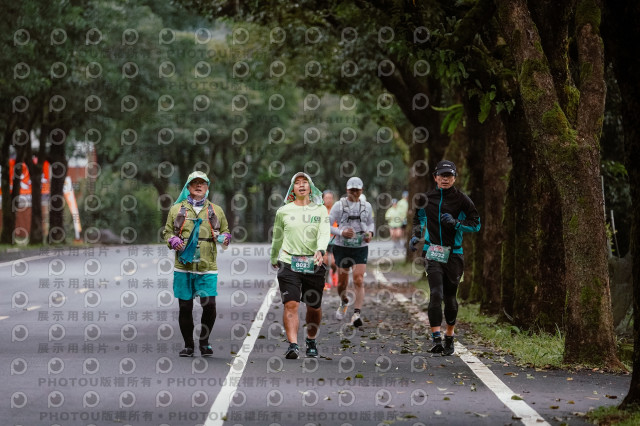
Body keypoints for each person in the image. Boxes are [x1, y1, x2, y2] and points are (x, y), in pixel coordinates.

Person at [410, 160, 480, 356]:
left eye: (449, 176)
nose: (445, 179)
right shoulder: (426, 199)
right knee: (436, 294)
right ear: (435, 177)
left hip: (454, 254)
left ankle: (449, 335)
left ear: (454, 178)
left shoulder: (462, 200)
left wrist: (456, 223)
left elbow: (476, 224)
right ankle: (436, 339)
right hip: (432, 252)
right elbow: (418, 219)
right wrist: (416, 235)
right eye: (442, 175)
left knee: (450, 298)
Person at [163, 171, 231, 357]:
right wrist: (173, 240)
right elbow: (167, 232)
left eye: (202, 183)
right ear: (188, 187)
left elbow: (226, 232)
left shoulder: (216, 210)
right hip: (183, 266)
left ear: (207, 187)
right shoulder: (176, 210)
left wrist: (224, 238)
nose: (198, 186)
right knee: (185, 306)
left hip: (207, 266)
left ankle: (204, 342)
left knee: (209, 305)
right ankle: (188, 345)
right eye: (194, 183)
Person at [270, 172, 330, 359]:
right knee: (291, 304)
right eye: (297, 183)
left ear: (311, 188)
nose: (302, 185)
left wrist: (321, 250)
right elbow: (277, 237)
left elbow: (324, 232)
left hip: (314, 262)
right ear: (292, 189)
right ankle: (293, 345)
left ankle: (311, 339)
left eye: (305, 182)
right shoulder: (283, 211)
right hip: (289, 262)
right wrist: (274, 256)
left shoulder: (320, 210)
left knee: (314, 307)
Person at [329, 177, 375, 327]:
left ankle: (357, 314)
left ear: (362, 190)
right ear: (347, 190)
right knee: (342, 283)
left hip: (360, 247)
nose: (354, 193)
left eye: (357, 190)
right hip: (342, 247)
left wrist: (370, 233)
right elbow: (326, 224)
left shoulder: (367, 206)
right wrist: (341, 232)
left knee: (359, 279)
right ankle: (344, 301)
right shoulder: (338, 205)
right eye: (352, 190)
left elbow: (371, 223)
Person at [322, 190, 339, 290]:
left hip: (334, 239)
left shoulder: (336, 211)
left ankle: (334, 273)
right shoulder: (320, 211)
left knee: (333, 262)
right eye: (326, 198)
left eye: (330, 198)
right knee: (324, 262)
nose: (328, 200)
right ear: (323, 199)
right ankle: (325, 282)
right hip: (323, 240)